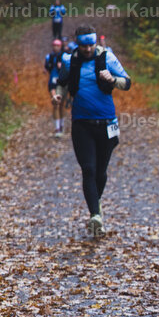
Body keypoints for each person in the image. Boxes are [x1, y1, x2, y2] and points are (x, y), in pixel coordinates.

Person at [54, 25, 132, 237]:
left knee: (101, 172)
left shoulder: (108, 58)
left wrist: (113, 80)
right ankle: (95, 215)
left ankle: (95, 204)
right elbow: (61, 83)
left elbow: (128, 82)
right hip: (82, 124)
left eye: (91, 44)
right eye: (83, 45)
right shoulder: (70, 61)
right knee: (88, 169)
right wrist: (58, 95)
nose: (88, 49)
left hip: (107, 122)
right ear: (77, 44)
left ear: (95, 42)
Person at [44, 39, 65, 137]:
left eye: (58, 45)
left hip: (62, 83)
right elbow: (47, 68)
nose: (56, 47)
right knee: (56, 104)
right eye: (54, 45)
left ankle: (62, 125)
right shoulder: (49, 57)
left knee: (61, 105)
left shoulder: (64, 57)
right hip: (52, 83)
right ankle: (57, 128)